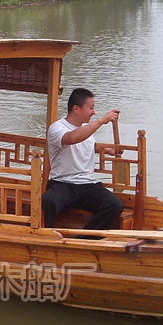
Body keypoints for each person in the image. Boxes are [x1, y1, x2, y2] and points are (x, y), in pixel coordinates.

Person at [41, 88, 123, 231]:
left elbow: (87, 143)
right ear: (76, 109)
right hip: (63, 184)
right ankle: (43, 237)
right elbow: (72, 139)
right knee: (48, 201)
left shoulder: (86, 128)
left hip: (87, 184)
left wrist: (108, 151)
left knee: (115, 205)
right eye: (91, 108)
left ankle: (85, 239)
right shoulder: (56, 128)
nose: (94, 112)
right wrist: (101, 121)